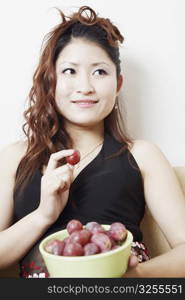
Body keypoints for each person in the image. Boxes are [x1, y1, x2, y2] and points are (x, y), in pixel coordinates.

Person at [0, 5, 185, 278]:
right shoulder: (15, 157)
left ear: (118, 83)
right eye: (69, 71)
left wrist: (135, 277)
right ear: (51, 81)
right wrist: (43, 215)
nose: (85, 86)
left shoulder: (143, 155)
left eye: (99, 72)